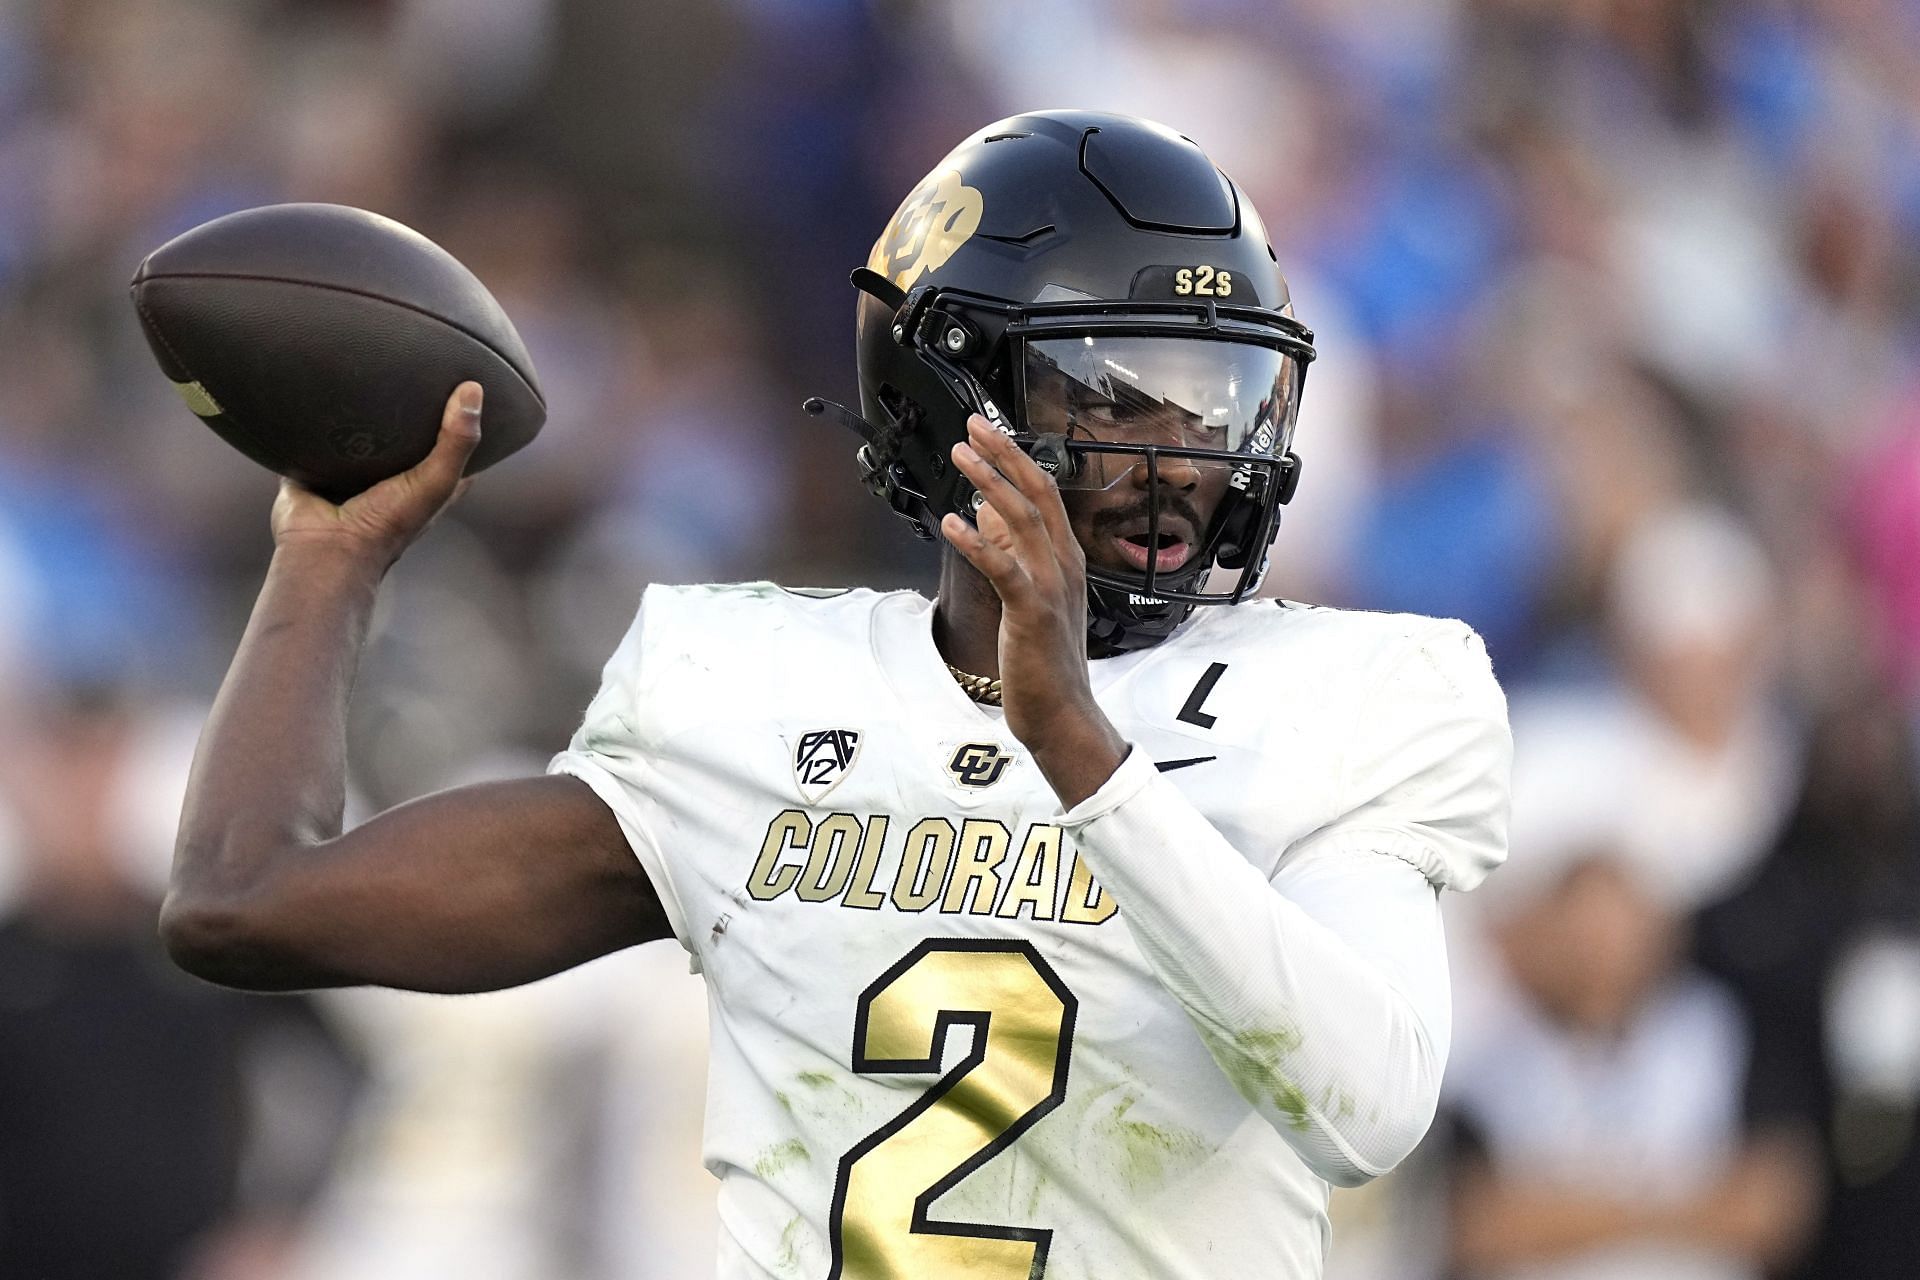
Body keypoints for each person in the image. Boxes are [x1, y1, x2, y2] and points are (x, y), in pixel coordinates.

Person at [163, 111, 1512, 1278]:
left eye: (1217, 402)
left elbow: (1366, 1105)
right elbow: (245, 903)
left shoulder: (1352, 697)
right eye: (1127, 395)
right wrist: (330, 559)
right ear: (943, 400)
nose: (1184, 461)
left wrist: (1082, 754)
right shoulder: (752, 698)